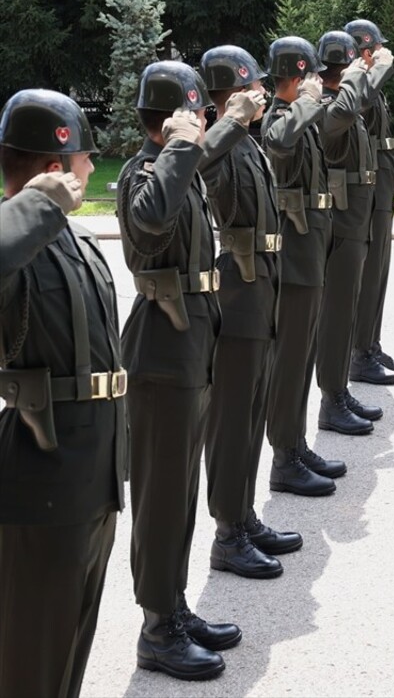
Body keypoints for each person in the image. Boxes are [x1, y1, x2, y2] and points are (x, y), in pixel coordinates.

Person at [0, 90, 125, 698]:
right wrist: (34, 205)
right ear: (55, 168)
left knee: (70, 651)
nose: (90, 169)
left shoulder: (74, 239)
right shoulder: (18, 238)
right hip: (42, 481)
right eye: (82, 158)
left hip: (93, 476)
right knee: (32, 662)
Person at [117, 61, 238, 680]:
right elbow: (153, 218)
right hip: (161, 349)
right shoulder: (145, 173)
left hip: (190, 340)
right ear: (165, 119)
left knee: (181, 491)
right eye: (190, 114)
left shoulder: (180, 164)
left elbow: (206, 160)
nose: (200, 123)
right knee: (162, 496)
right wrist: (181, 145)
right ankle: (156, 629)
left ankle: (175, 605)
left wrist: (200, 138)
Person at [196, 45, 300, 579]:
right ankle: (227, 533)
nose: (262, 92)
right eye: (252, 87)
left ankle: (243, 515)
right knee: (234, 417)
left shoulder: (247, 141)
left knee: (253, 409)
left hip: (261, 286)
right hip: (237, 289)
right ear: (232, 93)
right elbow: (200, 161)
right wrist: (232, 120)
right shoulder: (219, 141)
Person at [261, 37, 348, 493]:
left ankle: (295, 444)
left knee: (304, 352)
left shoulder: (303, 114)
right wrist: (308, 102)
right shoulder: (281, 116)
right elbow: (277, 141)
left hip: (310, 247)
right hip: (294, 255)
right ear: (295, 77)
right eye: (311, 76)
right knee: (291, 359)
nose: (318, 81)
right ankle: (283, 457)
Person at [312, 31, 391, 435]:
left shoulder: (345, 101)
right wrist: (360, 76)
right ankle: (330, 398)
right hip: (341, 222)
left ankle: (338, 391)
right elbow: (340, 115)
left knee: (346, 310)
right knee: (338, 313)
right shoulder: (329, 105)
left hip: (354, 219)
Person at [345, 19, 394, 382]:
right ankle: (358, 353)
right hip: (367, 189)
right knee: (368, 272)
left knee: (379, 271)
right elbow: (358, 102)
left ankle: (370, 343)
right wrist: (378, 70)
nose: (384, 55)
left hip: (382, 184)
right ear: (365, 51)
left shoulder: (371, 81)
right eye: (377, 50)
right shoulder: (356, 81)